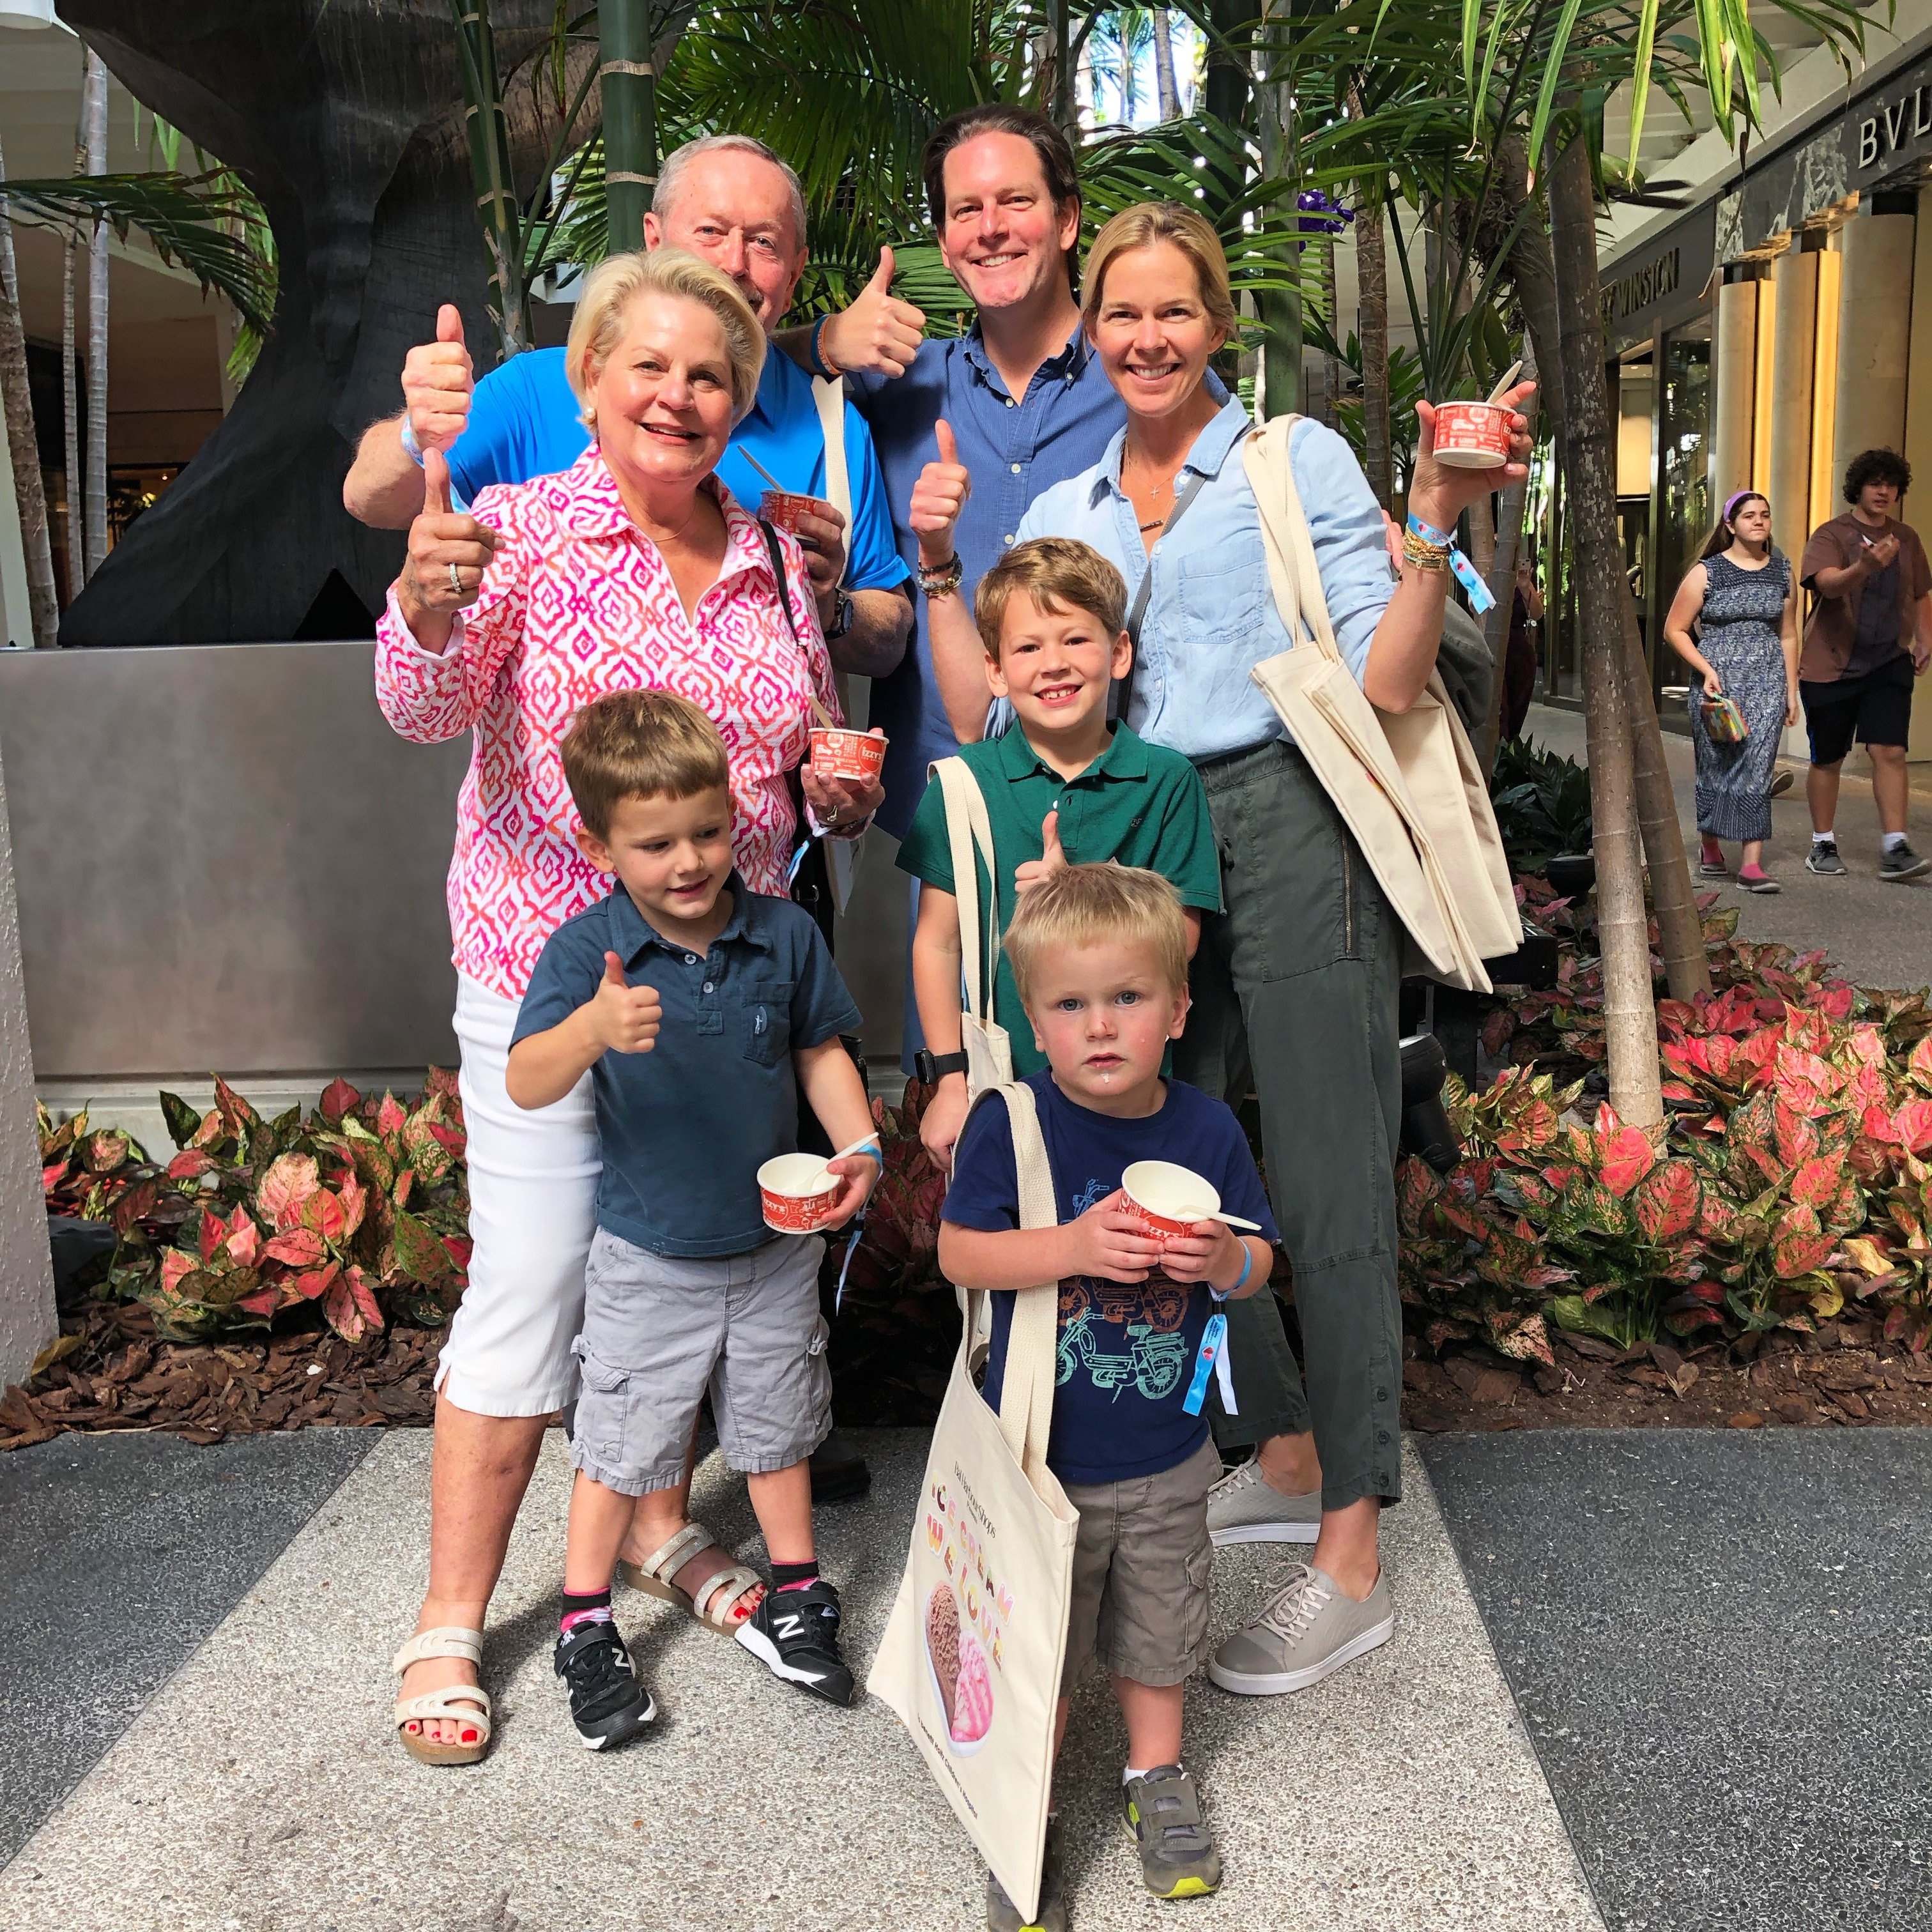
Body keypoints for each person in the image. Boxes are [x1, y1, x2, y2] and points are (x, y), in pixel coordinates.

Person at [921, 202, 1532, 1696]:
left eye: (1173, 313)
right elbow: (1003, 702)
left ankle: (1353, 1551)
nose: (1144, 339)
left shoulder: (1290, 460)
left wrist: (1438, 523)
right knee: (1178, 1157)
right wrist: (942, 574)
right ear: (1091, 324)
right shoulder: (1062, 498)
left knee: (1324, 1174)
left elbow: (1388, 680)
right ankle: (1287, 1440)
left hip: (1287, 812)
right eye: (1120, 315)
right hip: (1134, 832)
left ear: (1215, 325)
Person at [379, 249, 880, 1765]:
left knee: (680, 1267)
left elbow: (792, 748)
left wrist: (826, 790)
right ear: (589, 384)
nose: (679, 396)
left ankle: (660, 1526)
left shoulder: (777, 554)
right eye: (646, 368)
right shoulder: (518, 531)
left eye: (711, 375)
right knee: (536, 1281)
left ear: (743, 400)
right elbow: (421, 709)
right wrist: (421, 597)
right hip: (551, 966)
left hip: (727, 989)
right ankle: (451, 1624)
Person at [506, 691, 878, 1742]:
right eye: (655, 841)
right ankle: (584, 1619)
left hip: (769, 1248)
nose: (688, 859)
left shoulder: (784, 933)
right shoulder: (591, 953)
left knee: (775, 1422)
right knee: (620, 1442)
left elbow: (818, 1051)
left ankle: (798, 1585)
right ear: (599, 843)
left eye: (707, 831)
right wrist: (591, 1026)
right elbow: (526, 1077)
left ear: (734, 816)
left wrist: (858, 1146)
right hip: (647, 1253)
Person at [939, 862, 1278, 1931]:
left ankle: (1154, 1776)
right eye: (1068, 1004)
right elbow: (960, 1249)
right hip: (1040, 1453)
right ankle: (1020, 1810)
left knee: (1157, 1626)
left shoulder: (1205, 1128)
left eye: (1125, 997)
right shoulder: (1015, 1123)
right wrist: (1075, 1245)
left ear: (1176, 1009)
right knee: (1035, 1641)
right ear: (1033, 1022)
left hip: (1168, 1447)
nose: (1098, 1026)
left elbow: (1262, 1257)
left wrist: (1222, 1257)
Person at [344, 133, 913, 679]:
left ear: (793, 276)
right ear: (655, 239)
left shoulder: (830, 427)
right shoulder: (537, 390)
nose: (734, 263)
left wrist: (827, 606)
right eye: (710, 230)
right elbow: (370, 501)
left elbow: (889, 635)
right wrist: (416, 433)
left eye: (763, 242)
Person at [894, 537, 1220, 1172]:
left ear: (1119, 653)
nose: (1054, 663)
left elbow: (1179, 940)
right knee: (1016, 1255)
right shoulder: (964, 786)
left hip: (1136, 1097)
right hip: (1003, 1094)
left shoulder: (1168, 782)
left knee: (1137, 1258)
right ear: (995, 671)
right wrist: (949, 1083)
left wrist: (1079, 895)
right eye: (1027, 647)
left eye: (1075, 640)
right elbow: (937, 944)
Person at [1798, 448, 1932, 882]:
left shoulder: (1907, 537)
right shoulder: (1831, 535)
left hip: (1889, 658)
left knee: (1890, 750)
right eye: (1874, 483)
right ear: (1858, 488)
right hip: (1830, 663)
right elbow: (1827, 586)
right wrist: (1865, 565)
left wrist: (1926, 637)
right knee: (1828, 758)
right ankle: (1822, 844)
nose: (1883, 491)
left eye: (1890, 484)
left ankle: (1895, 846)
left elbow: (1920, 593)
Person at [1661, 489, 1799, 893]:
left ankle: (1752, 863)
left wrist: (1792, 690)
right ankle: (1710, 842)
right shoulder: (1709, 572)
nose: (1758, 521)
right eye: (1749, 515)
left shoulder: (1782, 572)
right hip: (1718, 683)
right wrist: (1705, 670)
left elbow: (1789, 634)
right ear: (1731, 525)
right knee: (1717, 762)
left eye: (1764, 515)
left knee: (1758, 766)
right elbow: (1675, 629)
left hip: (1768, 680)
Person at [1502, 556, 1544, 740]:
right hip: (1495, 648)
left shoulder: (1521, 580)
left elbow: (1537, 614)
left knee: (1517, 707)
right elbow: (1474, 606)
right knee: (1500, 709)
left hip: (1519, 650)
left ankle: (1510, 748)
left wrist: (1525, 588)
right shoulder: (1483, 571)